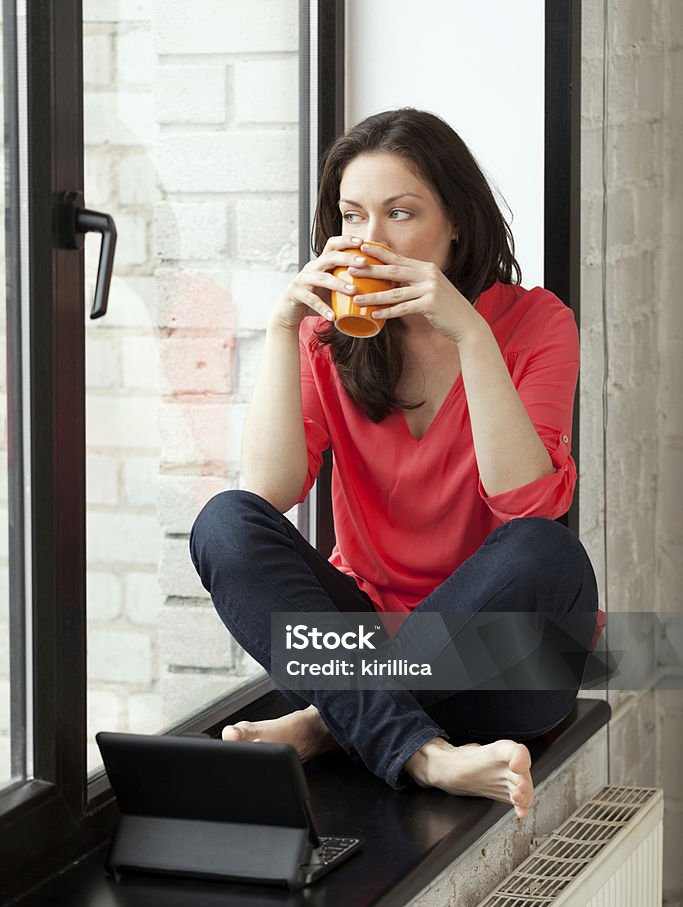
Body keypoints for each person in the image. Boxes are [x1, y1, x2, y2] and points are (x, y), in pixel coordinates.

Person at [190, 108, 599, 821]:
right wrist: (282, 328)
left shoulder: (536, 324)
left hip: (501, 664)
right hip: (363, 639)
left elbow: (526, 505)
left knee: (543, 549)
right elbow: (270, 491)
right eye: (351, 218)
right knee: (224, 521)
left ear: (456, 222)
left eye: (400, 214)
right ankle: (422, 752)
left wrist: (470, 334)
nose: (369, 242)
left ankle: (328, 723)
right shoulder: (329, 335)